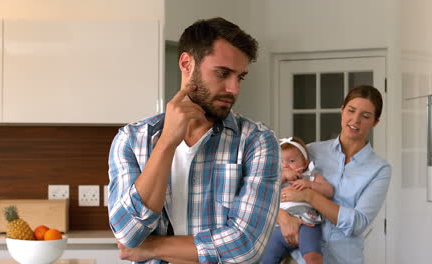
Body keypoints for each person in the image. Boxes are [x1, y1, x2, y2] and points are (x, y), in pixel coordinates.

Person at [107, 17, 281, 264]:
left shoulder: (257, 142)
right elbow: (127, 233)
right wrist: (167, 142)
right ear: (187, 63)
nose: (234, 89)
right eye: (223, 73)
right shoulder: (131, 140)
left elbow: (245, 247)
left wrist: (150, 248)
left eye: (240, 77)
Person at [278, 85, 391, 264]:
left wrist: (309, 195)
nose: (355, 120)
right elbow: (272, 191)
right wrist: (283, 217)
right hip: (298, 257)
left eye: (366, 116)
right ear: (342, 111)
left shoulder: (379, 169)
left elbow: (357, 223)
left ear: (375, 122)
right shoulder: (312, 151)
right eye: (351, 111)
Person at [262, 136, 334, 264]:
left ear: (305, 163)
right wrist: (283, 178)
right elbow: (264, 194)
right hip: (279, 228)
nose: (285, 165)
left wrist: (310, 185)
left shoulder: (310, 176)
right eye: (281, 161)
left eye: (291, 161)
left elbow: (329, 191)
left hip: (307, 224)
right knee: (266, 258)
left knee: (313, 257)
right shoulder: (275, 178)